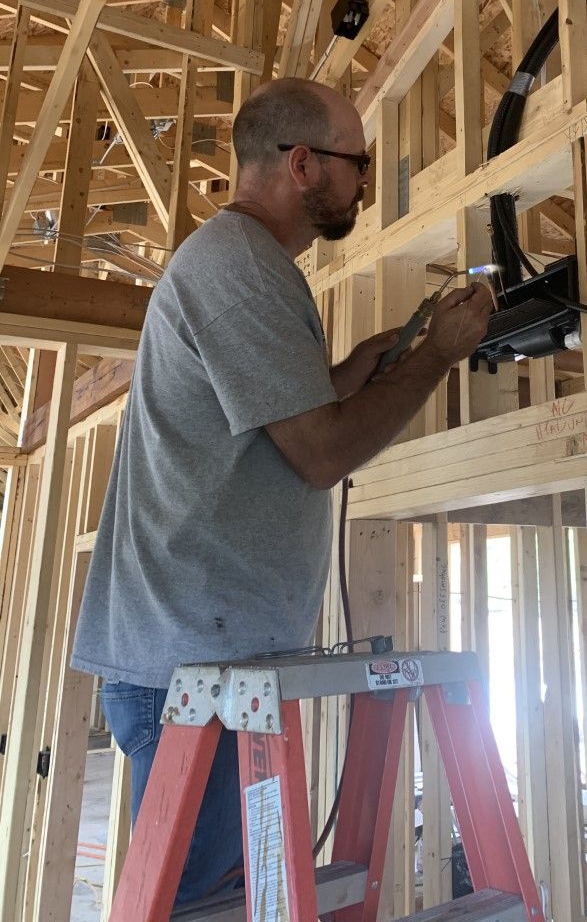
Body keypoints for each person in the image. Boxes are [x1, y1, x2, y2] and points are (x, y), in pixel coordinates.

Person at [70, 78, 494, 904]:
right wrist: (437, 357)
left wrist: (347, 373)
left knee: (222, 902)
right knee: (194, 910)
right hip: (194, 668)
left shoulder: (247, 266)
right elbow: (320, 453)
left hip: (212, 659)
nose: (366, 182)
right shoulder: (240, 269)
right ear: (303, 164)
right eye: (357, 163)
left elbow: (264, 427)